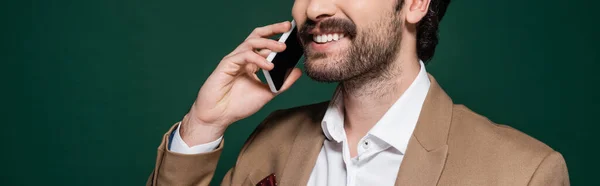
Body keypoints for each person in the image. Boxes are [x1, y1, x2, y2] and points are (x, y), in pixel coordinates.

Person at [147, 0, 569, 185]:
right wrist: (204, 125)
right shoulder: (271, 142)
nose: (314, 9)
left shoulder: (524, 174)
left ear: (416, 2)